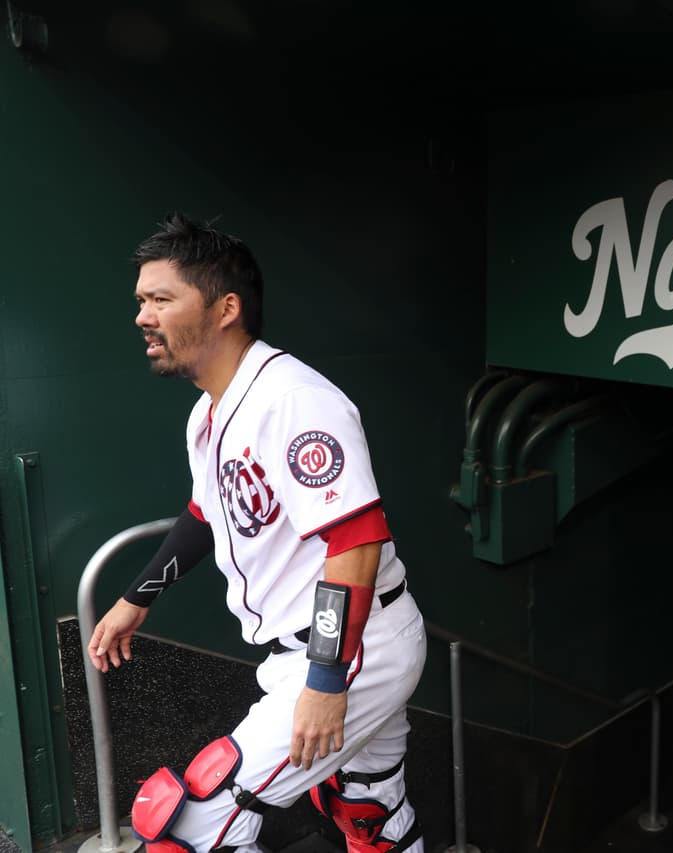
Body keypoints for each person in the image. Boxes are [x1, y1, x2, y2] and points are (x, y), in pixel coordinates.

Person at [89, 212, 427, 853]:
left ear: (226, 308)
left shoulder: (292, 399)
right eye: (141, 301)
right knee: (368, 812)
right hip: (323, 649)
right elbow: (206, 515)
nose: (143, 317)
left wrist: (326, 682)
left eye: (161, 299)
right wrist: (138, 596)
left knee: (194, 823)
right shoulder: (208, 413)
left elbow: (355, 541)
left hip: (350, 653)